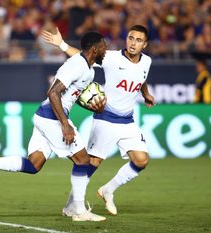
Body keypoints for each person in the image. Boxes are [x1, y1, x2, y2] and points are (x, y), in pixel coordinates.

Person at [0, 31, 107, 222]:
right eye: (104, 46)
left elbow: (70, 95)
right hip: (52, 117)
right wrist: (65, 125)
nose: (106, 50)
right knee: (83, 160)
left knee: (33, 165)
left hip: (45, 115)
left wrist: (88, 104)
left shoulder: (88, 68)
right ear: (94, 49)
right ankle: (78, 211)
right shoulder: (77, 65)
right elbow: (53, 93)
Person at [42, 24, 155, 216]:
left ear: (145, 44)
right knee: (91, 165)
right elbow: (83, 55)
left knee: (141, 160)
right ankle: (71, 205)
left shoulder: (147, 61)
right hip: (106, 119)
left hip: (127, 121)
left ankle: (108, 190)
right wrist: (61, 44)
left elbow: (141, 77)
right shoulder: (111, 57)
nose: (133, 43)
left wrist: (146, 94)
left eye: (138, 40)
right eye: (130, 38)